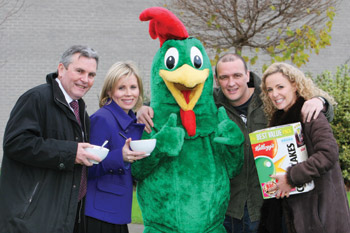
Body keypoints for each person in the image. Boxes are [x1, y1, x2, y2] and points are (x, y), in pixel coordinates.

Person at [136, 53, 333, 233]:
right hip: (229, 209)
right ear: (216, 80)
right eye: (224, 77)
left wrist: (321, 101)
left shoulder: (268, 98)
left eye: (237, 76)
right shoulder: (210, 103)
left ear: (247, 75)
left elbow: (299, 106)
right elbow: (172, 100)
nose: (231, 83)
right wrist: (144, 108)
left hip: (266, 206)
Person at [0, 45, 101, 233]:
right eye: (79, 71)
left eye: (91, 75)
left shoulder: (80, 110)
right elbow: (15, 143)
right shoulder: (36, 98)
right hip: (30, 220)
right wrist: (71, 153)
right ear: (61, 69)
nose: (85, 80)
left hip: (60, 219)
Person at [258, 62, 350, 233]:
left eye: (280, 87)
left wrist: (290, 177)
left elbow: (328, 154)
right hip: (293, 213)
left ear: (294, 85)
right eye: (270, 90)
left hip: (320, 215)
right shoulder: (278, 119)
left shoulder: (310, 114)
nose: (274, 94)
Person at [84, 61, 146, 233]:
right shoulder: (102, 119)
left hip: (116, 212)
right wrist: (121, 157)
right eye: (121, 88)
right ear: (110, 91)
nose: (128, 94)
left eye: (133, 87)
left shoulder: (131, 121)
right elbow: (86, 168)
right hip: (99, 214)